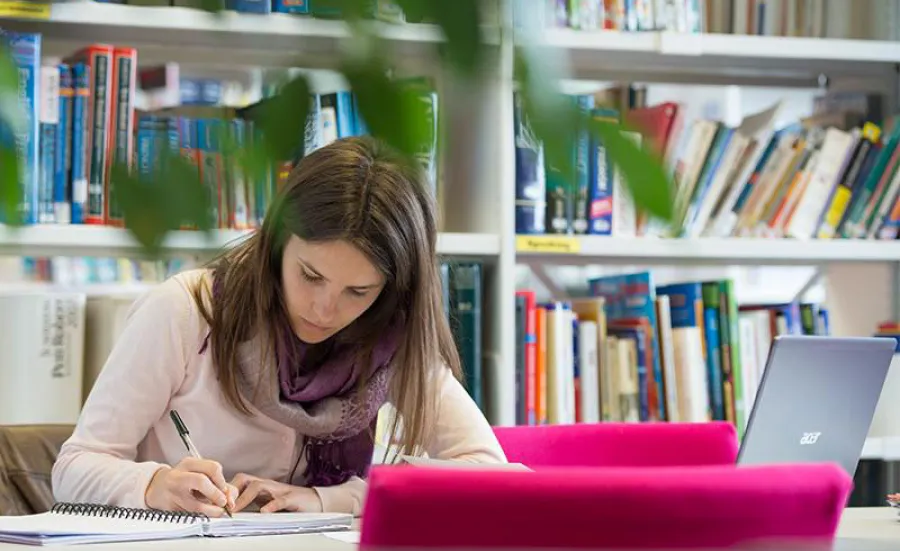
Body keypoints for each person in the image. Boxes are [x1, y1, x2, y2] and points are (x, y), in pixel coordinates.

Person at [51, 136, 507, 517]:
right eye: (310, 276)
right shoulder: (186, 310)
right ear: (276, 243)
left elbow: (492, 473)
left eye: (358, 292)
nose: (324, 310)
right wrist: (155, 485)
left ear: (390, 291)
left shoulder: (388, 337)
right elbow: (74, 466)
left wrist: (330, 499)